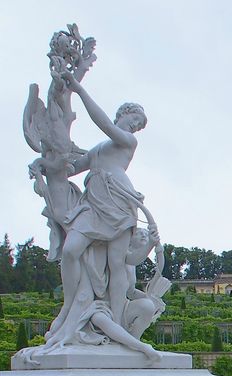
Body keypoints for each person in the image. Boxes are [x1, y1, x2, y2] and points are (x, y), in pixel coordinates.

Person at [57, 70, 147, 333]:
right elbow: (70, 170)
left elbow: (105, 125)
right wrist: (47, 163)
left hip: (119, 200)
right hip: (93, 203)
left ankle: (117, 320)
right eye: (134, 119)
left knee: (116, 263)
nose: (135, 127)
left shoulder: (128, 142)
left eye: (139, 125)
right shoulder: (98, 149)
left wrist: (79, 90)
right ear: (124, 112)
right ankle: (70, 304)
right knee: (71, 250)